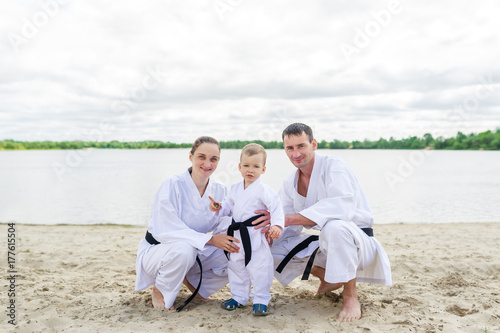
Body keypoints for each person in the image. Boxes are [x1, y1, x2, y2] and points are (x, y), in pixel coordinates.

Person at [270, 123, 392, 322]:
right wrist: (268, 229)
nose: (295, 153)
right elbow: (284, 224)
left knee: (334, 227)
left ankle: (350, 295)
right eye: (289, 148)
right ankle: (325, 275)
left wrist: (288, 219)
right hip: (328, 245)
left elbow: (341, 207)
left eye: (301, 146)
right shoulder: (289, 183)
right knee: (266, 242)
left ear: (314, 144)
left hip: (359, 243)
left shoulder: (335, 165)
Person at [135, 136, 269, 311]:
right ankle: (160, 289)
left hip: (195, 250)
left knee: (238, 248)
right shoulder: (172, 184)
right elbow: (166, 228)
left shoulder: (220, 189)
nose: (207, 164)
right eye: (202, 157)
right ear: (190, 157)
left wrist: (266, 218)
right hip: (159, 252)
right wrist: (212, 240)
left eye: (213, 159)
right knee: (184, 250)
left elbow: (230, 219)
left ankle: (196, 283)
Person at [209, 143, 284, 316]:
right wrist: (218, 206)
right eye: (246, 165)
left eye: (256, 166)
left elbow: (276, 207)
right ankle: (239, 297)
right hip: (237, 234)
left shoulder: (265, 190)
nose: (250, 170)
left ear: (263, 169)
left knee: (260, 268)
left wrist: (277, 225)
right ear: (239, 167)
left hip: (256, 236)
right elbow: (228, 207)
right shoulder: (235, 188)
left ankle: (260, 299)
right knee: (236, 266)